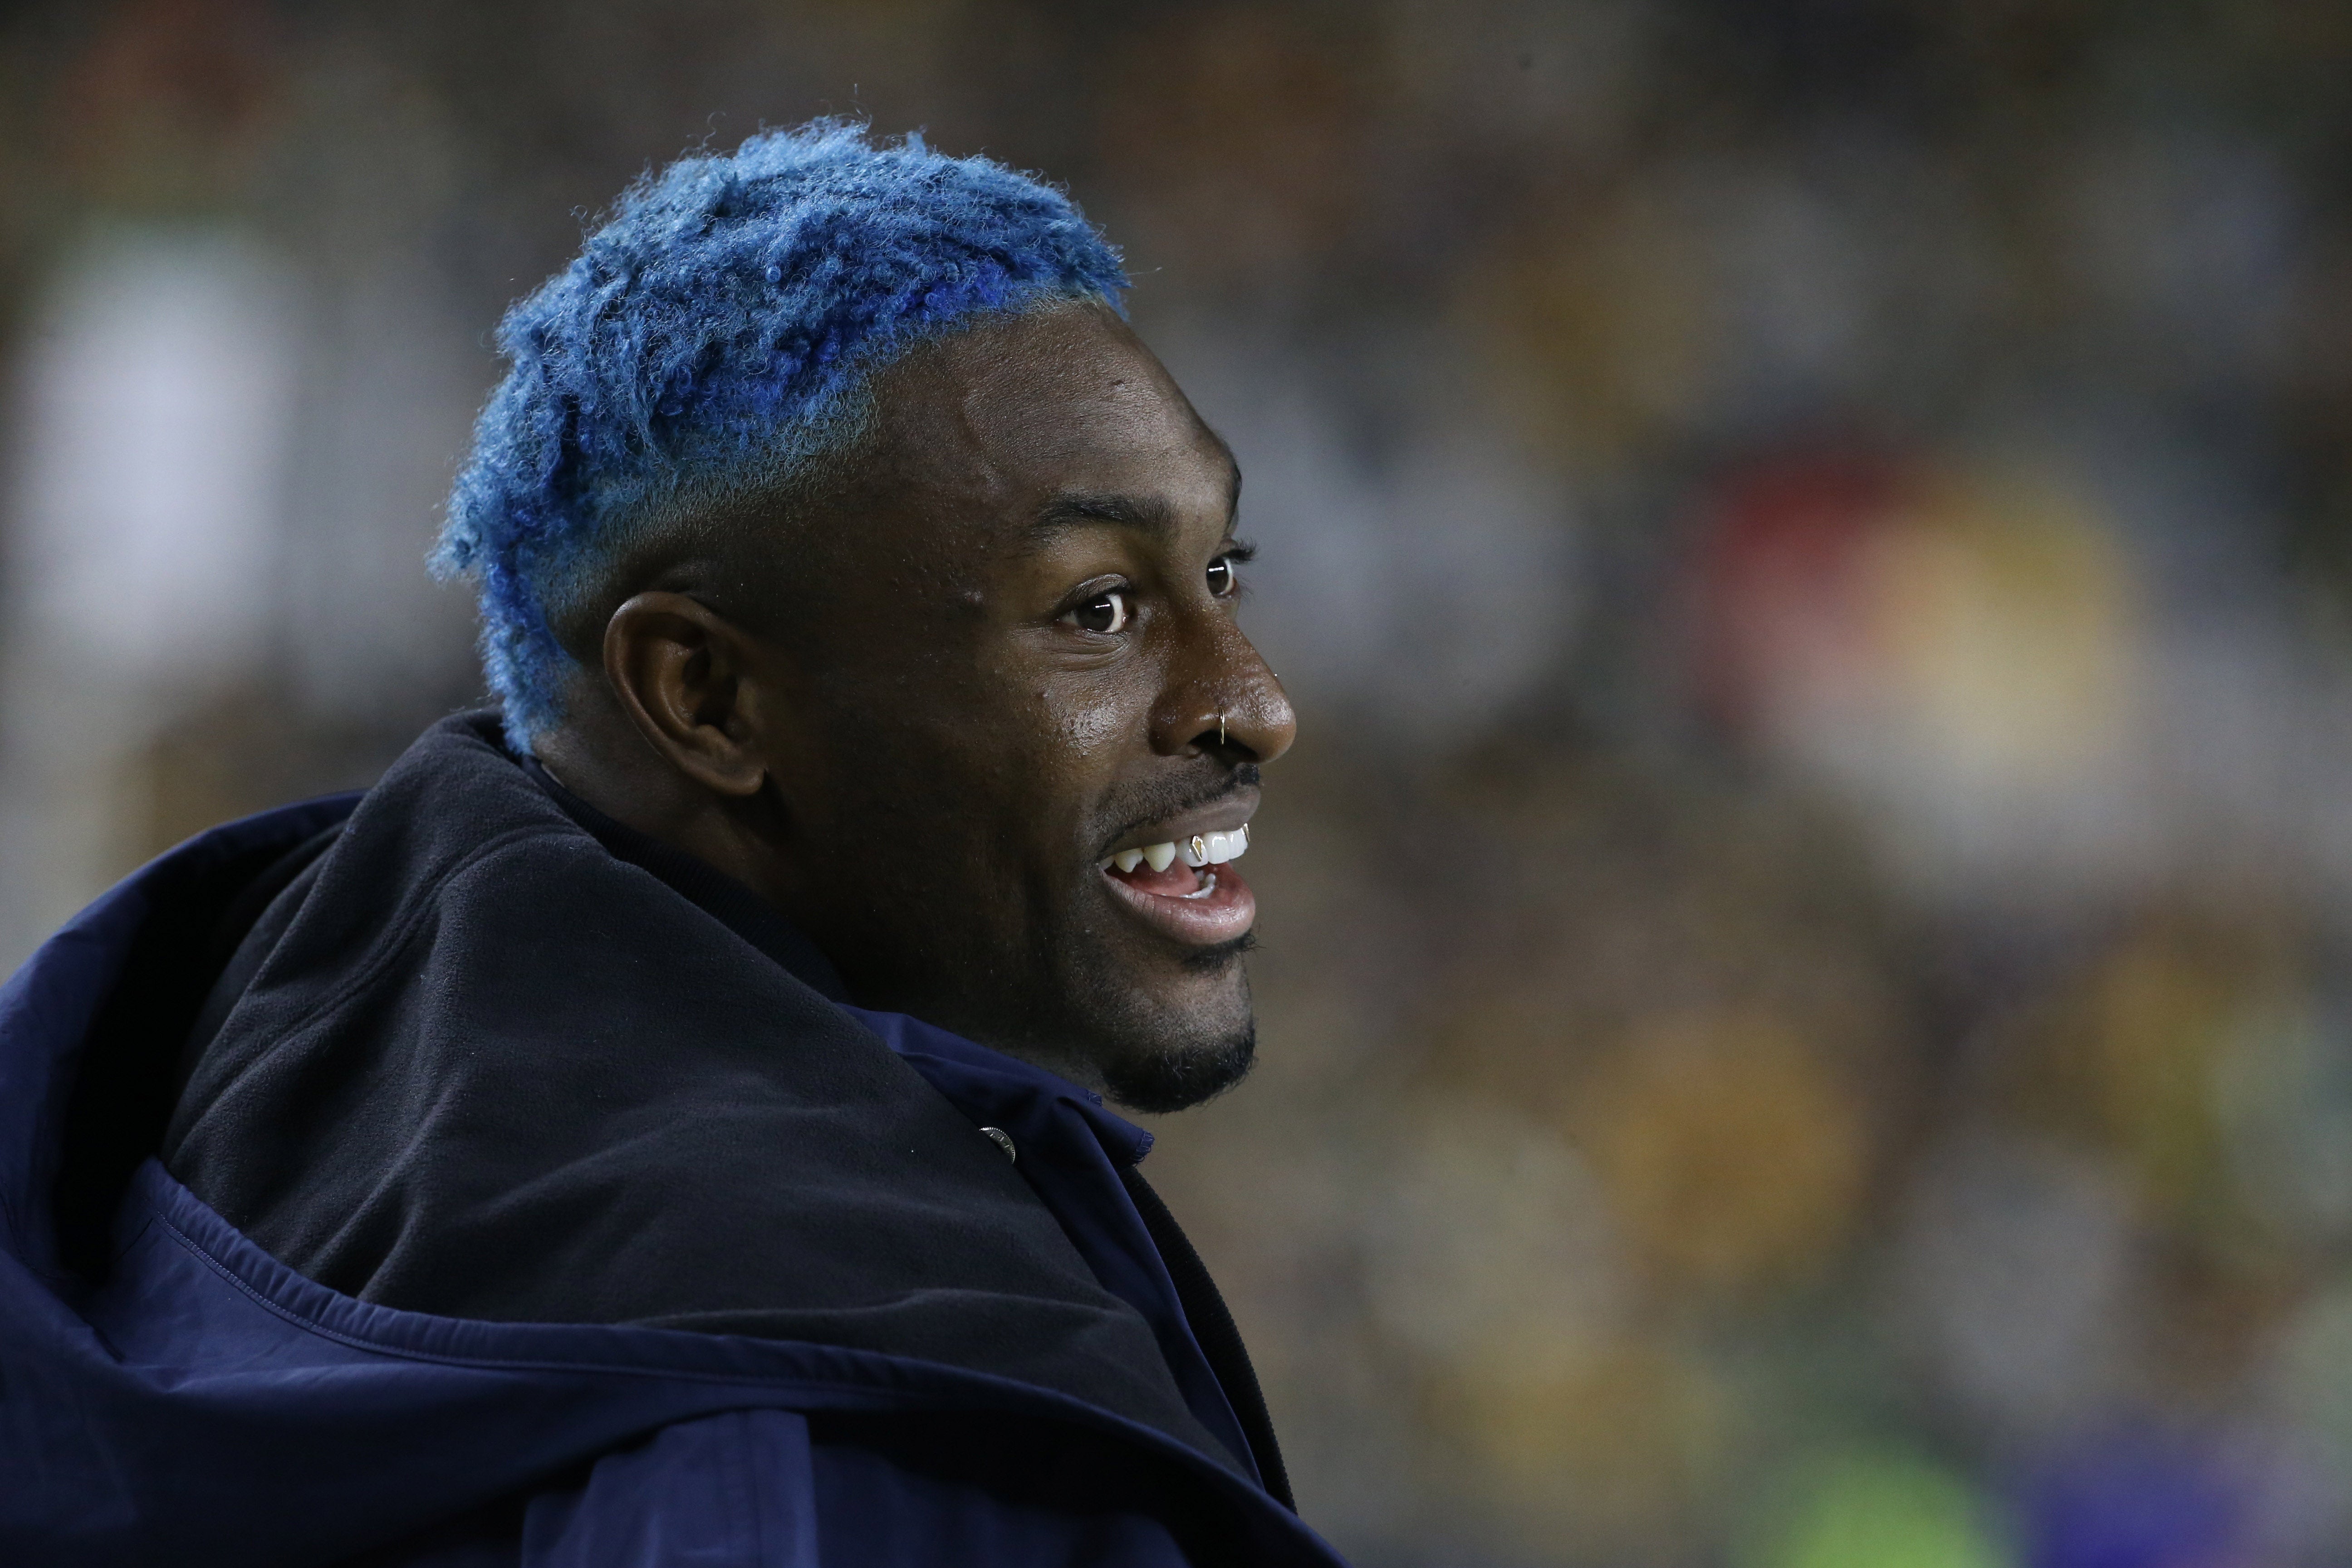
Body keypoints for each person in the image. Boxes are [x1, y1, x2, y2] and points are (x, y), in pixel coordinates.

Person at [0, 122, 1342, 1567]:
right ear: (705, 697)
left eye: (1218, 571)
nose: (1253, 705)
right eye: (1094, 610)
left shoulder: (218, 1035)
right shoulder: (844, 1433)